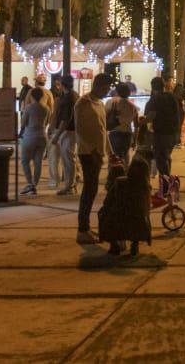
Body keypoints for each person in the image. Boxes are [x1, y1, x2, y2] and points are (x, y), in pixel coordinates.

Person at [75, 74, 111, 244]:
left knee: (93, 190)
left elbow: (103, 130)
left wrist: (110, 152)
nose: (106, 91)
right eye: (104, 88)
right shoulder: (83, 103)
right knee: (89, 190)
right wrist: (93, 151)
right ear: (97, 85)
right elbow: (81, 130)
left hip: (98, 153)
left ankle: (86, 228)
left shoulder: (101, 104)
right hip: (88, 154)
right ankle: (82, 229)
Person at [99, 152, 153, 256]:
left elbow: (107, 202)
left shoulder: (120, 182)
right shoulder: (146, 188)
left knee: (104, 213)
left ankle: (114, 245)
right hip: (139, 222)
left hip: (119, 219)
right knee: (139, 216)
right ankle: (134, 244)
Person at [144, 76, 183, 194]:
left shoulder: (155, 99)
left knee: (161, 161)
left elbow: (150, 116)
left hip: (161, 134)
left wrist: (140, 123)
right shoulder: (172, 97)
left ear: (152, 87)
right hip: (173, 133)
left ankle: (168, 186)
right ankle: (168, 185)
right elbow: (180, 113)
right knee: (166, 158)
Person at [19, 87, 51, 195]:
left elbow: (23, 123)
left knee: (24, 160)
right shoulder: (46, 108)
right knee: (38, 162)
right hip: (42, 135)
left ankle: (29, 183)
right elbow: (47, 122)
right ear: (42, 96)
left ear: (31, 96)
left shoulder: (28, 108)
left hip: (30, 135)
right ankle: (34, 185)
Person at [50, 75, 78, 194]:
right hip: (68, 130)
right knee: (68, 158)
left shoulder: (69, 97)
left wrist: (57, 134)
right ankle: (70, 184)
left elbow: (66, 119)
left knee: (68, 159)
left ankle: (69, 186)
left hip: (67, 131)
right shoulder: (71, 95)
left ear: (62, 84)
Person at [105, 83, 139, 164]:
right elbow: (136, 125)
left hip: (114, 133)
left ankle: (113, 174)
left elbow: (104, 118)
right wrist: (135, 140)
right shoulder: (133, 107)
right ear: (129, 93)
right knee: (125, 156)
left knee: (113, 157)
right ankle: (124, 173)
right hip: (127, 134)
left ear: (117, 92)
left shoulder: (110, 102)